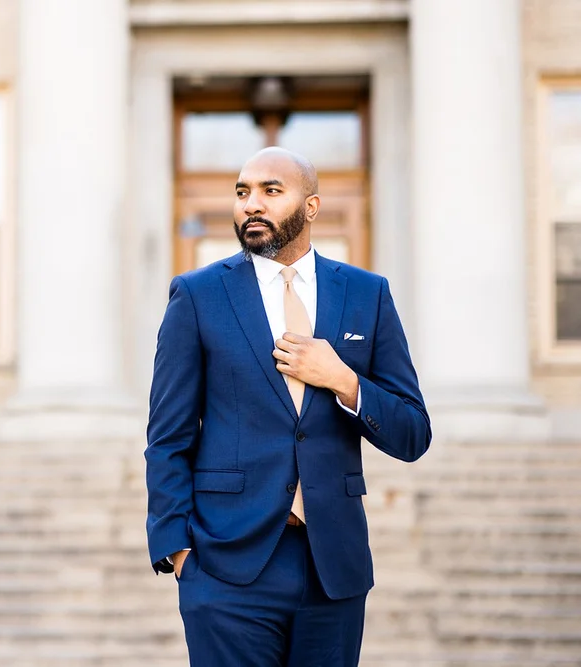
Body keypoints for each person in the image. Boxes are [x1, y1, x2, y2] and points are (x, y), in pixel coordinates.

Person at [144, 147, 431, 666]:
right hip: (225, 569)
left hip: (333, 568)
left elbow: (413, 432)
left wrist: (343, 379)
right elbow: (168, 437)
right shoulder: (197, 295)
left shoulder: (368, 294)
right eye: (242, 192)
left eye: (270, 191)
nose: (251, 204)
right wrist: (180, 553)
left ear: (312, 206)